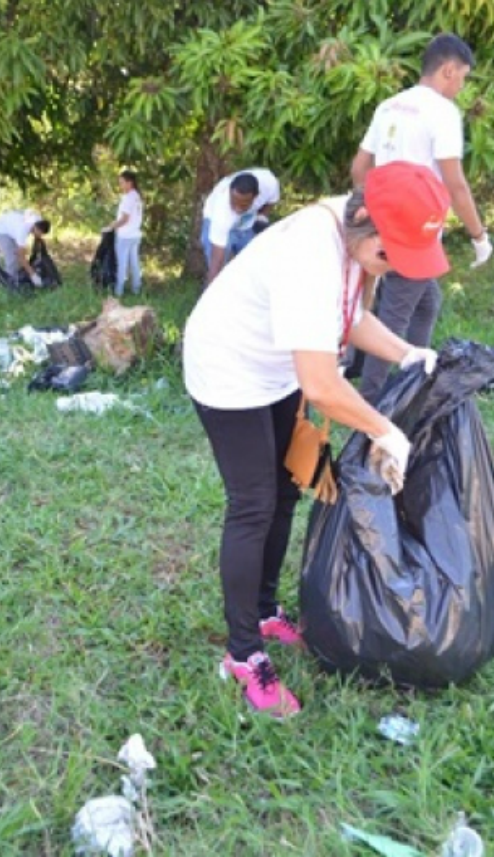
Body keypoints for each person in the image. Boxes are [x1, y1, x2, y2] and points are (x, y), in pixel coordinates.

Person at [183, 161, 450, 718]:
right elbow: (324, 385)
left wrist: (407, 353)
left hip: (278, 364)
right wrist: (385, 430)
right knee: (253, 504)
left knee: (286, 488)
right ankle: (243, 653)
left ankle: (263, 611)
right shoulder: (312, 253)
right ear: (362, 222)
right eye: (391, 255)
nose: (395, 267)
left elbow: (350, 318)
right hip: (229, 365)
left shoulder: (354, 241)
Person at [350, 33, 492, 403]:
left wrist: (374, 213)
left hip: (380, 226)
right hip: (415, 235)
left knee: (427, 303)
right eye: (462, 77)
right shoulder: (443, 111)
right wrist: (479, 236)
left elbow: (360, 167)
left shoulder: (389, 105)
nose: (461, 86)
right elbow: (455, 183)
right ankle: (372, 407)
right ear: (448, 70)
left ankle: (414, 384)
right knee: (394, 317)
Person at [201, 168, 280, 284]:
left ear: (256, 196)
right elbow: (216, 262)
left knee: (257, 263)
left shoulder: (269, 184)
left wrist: (262, 217)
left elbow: (271, 200)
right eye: (233, 202)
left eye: (243, 204)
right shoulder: (221, 212)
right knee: (220, 272)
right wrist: (213, 285)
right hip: (216, 223)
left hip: (246, 225)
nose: (237, 209)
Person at [101, 169, 143, 296]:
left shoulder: (128, 198)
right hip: (135, 234)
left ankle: (118, 291)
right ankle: (136, 288)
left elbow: (124, 219)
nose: (120, 186)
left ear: (130, 183)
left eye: (122, 183)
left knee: (122, 264)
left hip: (125, 236)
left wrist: (111, 227)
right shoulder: (137, 196)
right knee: (134, 263)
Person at [0, 209, 51, 286]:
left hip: (11, 224)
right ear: (35, 227)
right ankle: (5, 283)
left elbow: (28, 211)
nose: (40, 236)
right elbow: (21, 257)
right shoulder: (22, 231)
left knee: (20, 257)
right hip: (2, 230)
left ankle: (16, 279)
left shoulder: (38, 220)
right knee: (12, 260)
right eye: (39, 233)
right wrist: (33, 275)